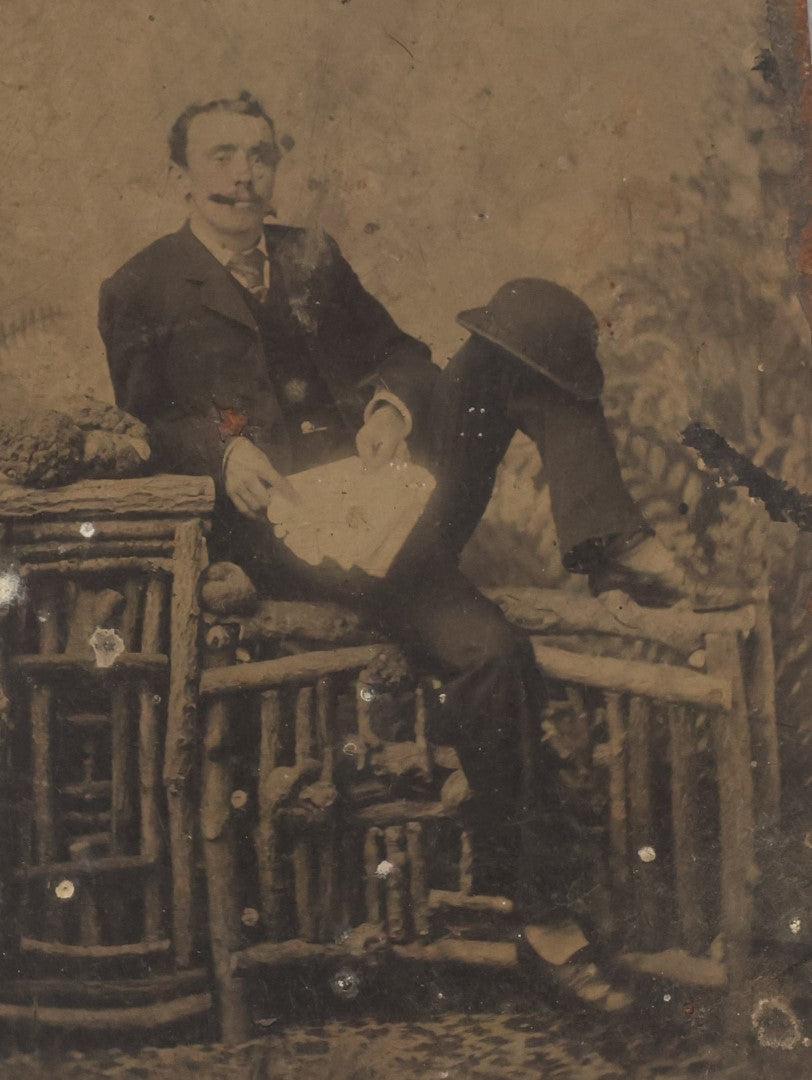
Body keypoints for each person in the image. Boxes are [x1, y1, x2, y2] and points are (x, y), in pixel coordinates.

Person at [99, 91, 685, 1009]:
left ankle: (609, 541)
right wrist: (227, 450)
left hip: (396, 504)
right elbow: (149, 423)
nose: (242, 175)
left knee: (524, 320)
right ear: (179, 176)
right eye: (219, 157)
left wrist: (393, 406)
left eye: (258, 155)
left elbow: (404, 351)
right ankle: (546, 917)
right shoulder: (136, 288)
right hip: (288, 538)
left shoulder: (309, 257)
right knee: (491, 650)